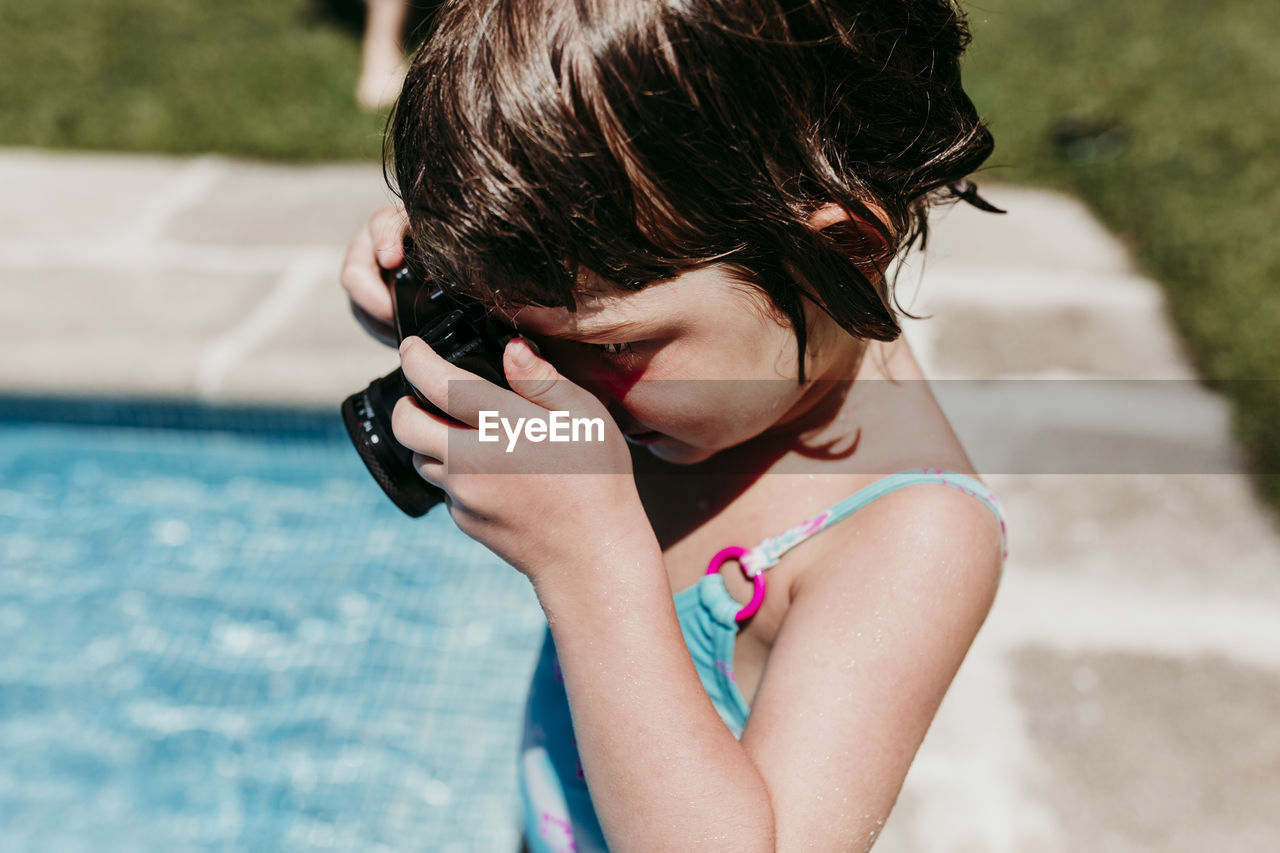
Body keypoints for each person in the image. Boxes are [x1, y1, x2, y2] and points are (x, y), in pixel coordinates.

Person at [340, 0, 1010, 850]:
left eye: (613, 343)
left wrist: (592, 564)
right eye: (522, 332)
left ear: (839, 251)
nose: (562, 393)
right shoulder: (676, 383)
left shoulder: (911, 539)